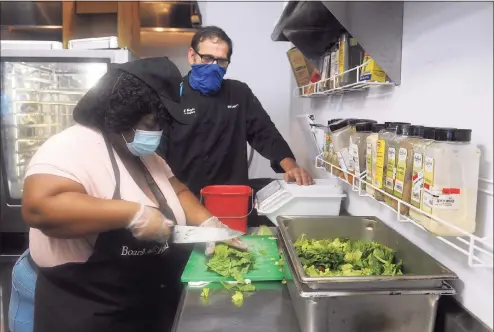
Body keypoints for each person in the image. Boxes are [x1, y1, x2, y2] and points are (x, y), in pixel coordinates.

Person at [8, 57, 245, 332]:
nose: (156, 131)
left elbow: (176, 190)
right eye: (150, 122)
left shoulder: (144, 155)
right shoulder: (72, 146)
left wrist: (208, 223)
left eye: (160, 123)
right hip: (90, 311)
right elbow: (40, 207)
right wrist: (132, 214)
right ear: (122, 114)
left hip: (140, 305)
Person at [159, 26, 314, 198]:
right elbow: (157, 154)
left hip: (231, 198)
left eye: (221, 61)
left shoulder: (239, 93)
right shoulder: (170, 95)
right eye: (207, 58)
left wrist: (291, 167)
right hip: (185, 198)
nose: (214, 66)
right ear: (192, 56)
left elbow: (265, 134)